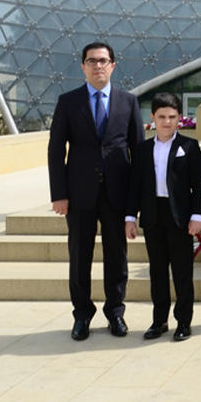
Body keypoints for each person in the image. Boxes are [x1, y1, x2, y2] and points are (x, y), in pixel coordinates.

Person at [47, 41, 144, 340]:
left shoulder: (128, 102)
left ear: (113, 65)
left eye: (103, 60)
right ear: (83, 67)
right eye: (92, 61)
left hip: (117, 193)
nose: (98, 65)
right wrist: (59, 194)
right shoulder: (68, 101)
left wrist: (135, 201)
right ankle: (82, 315)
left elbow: (138, 152)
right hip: (78, 194)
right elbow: (55, 150)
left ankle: (116, 313)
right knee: (79, 257)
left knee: (117, 257)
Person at [125, 93, 201, 342]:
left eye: (172, 117)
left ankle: (184, 322)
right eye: (162, 117)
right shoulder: (142, 149)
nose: (167, 122)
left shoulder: (189, 148)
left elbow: (197, 187)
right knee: (158, 272)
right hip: (152, 215)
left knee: (182, 272)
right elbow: (134, 186)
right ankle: (159, 321)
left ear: (179, 118)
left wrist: (197, 216)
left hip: (179, 217)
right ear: (153, 118)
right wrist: (130, 217)